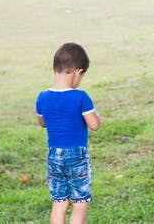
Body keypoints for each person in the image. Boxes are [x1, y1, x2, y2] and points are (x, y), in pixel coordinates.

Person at [36, 43, 101, 224]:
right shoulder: (80, 97)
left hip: (54, 156)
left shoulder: (42, 97)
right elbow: (94, 125)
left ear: (54, 68)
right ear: (78, 72)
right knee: (79, 203)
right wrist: (95, 114)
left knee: (59, 203)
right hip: (76, 156)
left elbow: (42, 123)